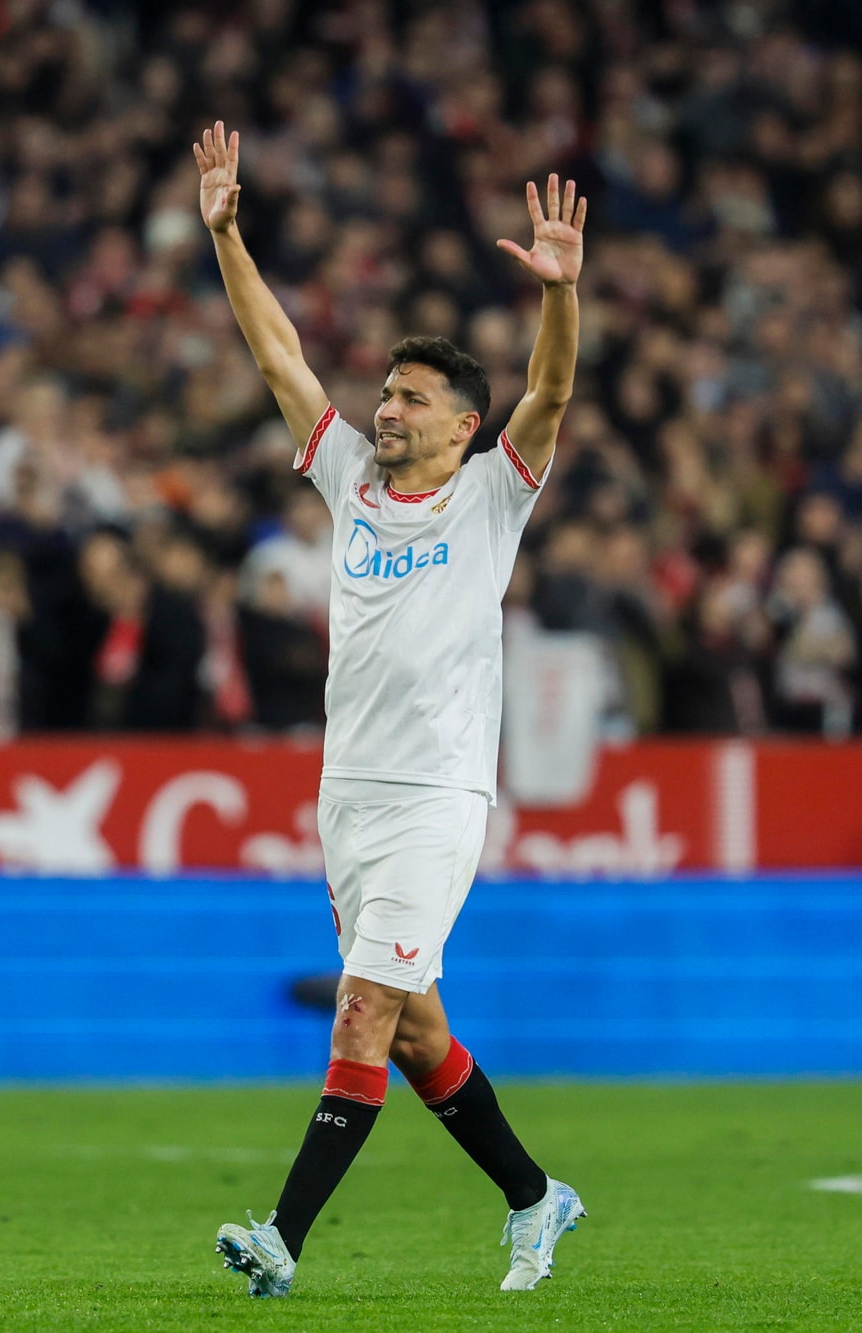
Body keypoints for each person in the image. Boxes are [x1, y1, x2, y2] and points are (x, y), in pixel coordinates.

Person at [197, 122, 587, 1297]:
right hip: (349, 798)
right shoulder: (349, 483)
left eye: (411, 397)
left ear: (462, 424)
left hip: (435, 796)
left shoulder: (492, 495)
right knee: (414, 1028)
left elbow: (550, 389)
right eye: (385, 392)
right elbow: (278, 355)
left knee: (362, 1007)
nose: (387, 408)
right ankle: (534, 1195)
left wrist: (559, 294)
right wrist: (226, 236)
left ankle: (281, 1239)